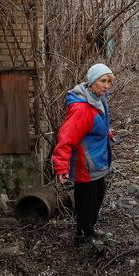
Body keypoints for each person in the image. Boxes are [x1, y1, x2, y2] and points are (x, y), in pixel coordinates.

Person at [52, 63, 114, 247]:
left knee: (98, 197)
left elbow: (94, 125)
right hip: (85, 165)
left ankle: (90, 229)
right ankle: (83, 236)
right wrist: (61, 166)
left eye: (109, 81)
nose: (106, 85)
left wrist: (106, 133)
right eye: (103, 81)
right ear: (92, 81)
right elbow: (66, 138)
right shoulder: (81, 108)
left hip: (97, 161)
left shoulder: (99, 99)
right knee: (85, 203)